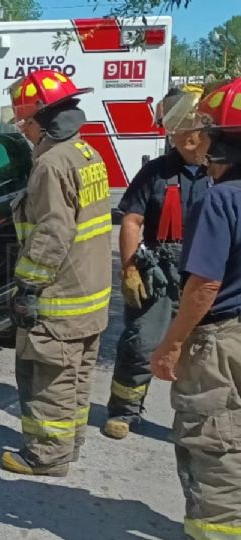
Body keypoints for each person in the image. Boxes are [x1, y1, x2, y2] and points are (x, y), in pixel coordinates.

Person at [1, 69, 113, 477]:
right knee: (77, 376)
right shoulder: (86, 153)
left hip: (61, 296)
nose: (23, 130)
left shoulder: (51, 164)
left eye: (24, 121)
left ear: (43, 120)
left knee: (49, 377)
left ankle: (46, 456)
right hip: (92, 292)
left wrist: (28, 286)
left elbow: (51, 232)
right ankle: (69, 444)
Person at [150, 78, 241, 540]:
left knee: (215, 444)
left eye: (208, 130)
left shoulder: (221, 198)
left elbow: (204, 285)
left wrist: (172, 343)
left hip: (223, 339)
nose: (201, 140)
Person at [103, 85, 212, 440]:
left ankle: (194, 422)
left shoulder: (225, 174)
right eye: (176, 134)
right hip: (163, 272)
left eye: (188, 132)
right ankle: (124, 411)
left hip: (210, 272)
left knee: (204, 351)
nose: (182, 140)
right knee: (141, 341)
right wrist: (130, 266)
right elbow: (132, 220)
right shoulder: (156, 173)